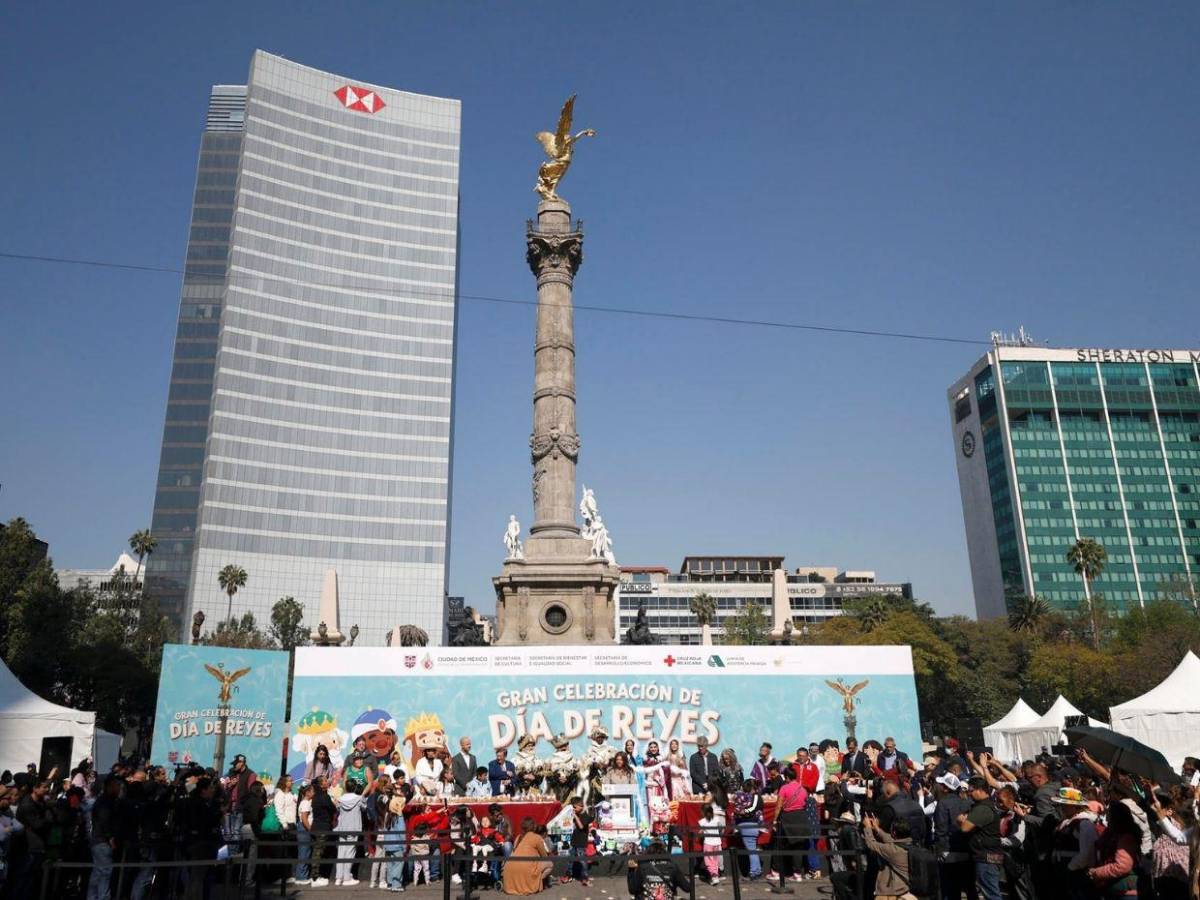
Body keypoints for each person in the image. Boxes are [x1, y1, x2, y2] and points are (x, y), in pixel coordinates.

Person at [957, 776, 1003, 900]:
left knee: (991, 894)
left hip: (986, 857)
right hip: (987, 855)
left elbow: (965, 828)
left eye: (971, 791)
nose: (969, 794)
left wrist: (962, 820)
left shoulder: (983, 808)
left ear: (980, 790)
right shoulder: (981, 806)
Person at [931, 772, 974, 900]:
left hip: (948, 851)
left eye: (942, 784)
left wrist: (940, 851)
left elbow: (941, 829)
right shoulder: (967, 802)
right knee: (969, 887)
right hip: (965, 849)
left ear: (945, 788)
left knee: (949, 889)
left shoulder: (943, 803)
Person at [1087, 800, 1141, 898]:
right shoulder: (1111, 833)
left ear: (1117, 818)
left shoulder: (1126, 837)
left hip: (1125, 892)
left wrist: (1096, 872)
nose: (1107, 818)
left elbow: (1122, 866)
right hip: (1113, 889)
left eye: (1109, 815)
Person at [861, 812, 915, 898]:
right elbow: (891, 839)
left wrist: (867, 827)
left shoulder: (892, 850)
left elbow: (871, 844)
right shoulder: (910, 844)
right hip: (905, 888)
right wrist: (876, 828)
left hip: (893, 892)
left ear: (893, 832)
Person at [335, 777, 376, 886]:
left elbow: (338, 809)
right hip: (354, 828)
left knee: (341, 852)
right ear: (354, 787)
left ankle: (339, 877)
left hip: (342, 828)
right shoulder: (359, 798)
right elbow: (364, 808)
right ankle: (347, 877)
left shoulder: (340, 799)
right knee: (350, 852)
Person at [771, 766, 809, 882]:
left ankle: (776, 872)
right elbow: (805, 803)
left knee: (779, 845)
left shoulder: (784, 788)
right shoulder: (803, 789)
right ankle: (797, 874)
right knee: (798, 847)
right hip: (801, 817)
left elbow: (778, 806)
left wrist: (774, 820)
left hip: (787, 818)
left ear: (787, 777)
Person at [86, 774, 121, 900]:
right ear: (110, 787)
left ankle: (92, 897)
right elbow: (104, 820)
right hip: (102, 841)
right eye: (117, 786)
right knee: (105, 873)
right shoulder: (105, 802)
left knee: (98, 873)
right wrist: (110, 837)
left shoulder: (106, 801)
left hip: (98, 841)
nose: (119, 789)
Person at [503, 817, 551, 895]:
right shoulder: (537, 837)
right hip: (526, 869)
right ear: (533, 826)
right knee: (550, 864)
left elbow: (514, 850)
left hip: (509, 871)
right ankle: (537, 882)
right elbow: (544, 857)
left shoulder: (518, 837)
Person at [309, 776, 337, 886]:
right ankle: (315, 878)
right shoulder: (324, 797)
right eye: (325, 781)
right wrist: (334, 803)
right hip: (322, 827)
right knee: (318, 852)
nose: (327, 781)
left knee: (318, 851)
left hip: (317, 827)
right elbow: (333, 809)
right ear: (321, 785)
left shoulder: (316, 796)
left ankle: (316, 875)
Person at [733, 778, 764, 879]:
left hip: (749, 824)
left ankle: (754, 871)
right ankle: (757, 870)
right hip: (754, 824)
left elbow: (752, 808)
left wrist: (742, 812)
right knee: (752, 848)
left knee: (751, 849)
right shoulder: (755, 796)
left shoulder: (754, 796)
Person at [380, 793, 407, 893]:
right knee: (398, 864)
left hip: (388, 844)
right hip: (397, 845)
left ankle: (390, 883)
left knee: (390, 864)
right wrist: (404, 847)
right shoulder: (399, 817)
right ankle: (396, 884)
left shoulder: (387, 815)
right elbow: (402, 833)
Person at [568, 797, 593, 886]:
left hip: (581, 842)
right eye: (573, 807)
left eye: (576, 807)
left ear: (581, 806)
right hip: (574, 840)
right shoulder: (573, 814)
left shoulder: (585, 816)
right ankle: (568, 875)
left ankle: (585, 878)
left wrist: (575, 816)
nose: (574, 809)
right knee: (570, 860)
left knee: (582, 861)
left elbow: (581, 826)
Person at [698, 802, 724, 884]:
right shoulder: (716, 819)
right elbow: (721, 828)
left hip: (708, 843)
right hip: (717, 842)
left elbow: (700, 832)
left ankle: (714, 876)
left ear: (703, 812)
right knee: (715, 860)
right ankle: (715, 876)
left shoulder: (702, 821)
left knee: (709, 861)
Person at [295, 782, 315, 885]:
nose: (314, 792)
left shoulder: (305, 802)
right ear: (307, 792)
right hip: (304, 829)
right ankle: (301, 877)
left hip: (303, 829)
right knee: (304, 853)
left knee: (304, 852)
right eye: (312, 791)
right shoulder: (306, 803)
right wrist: (310, 830)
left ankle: (301, 875)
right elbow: (304, 818)